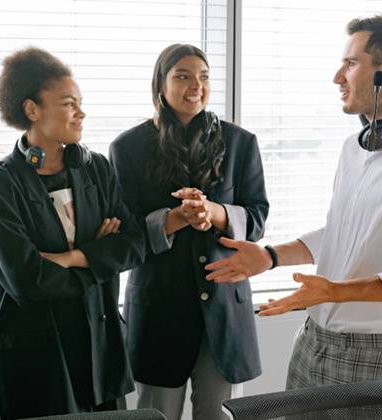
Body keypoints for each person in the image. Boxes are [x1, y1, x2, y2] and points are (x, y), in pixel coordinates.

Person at [206, 15, 382, 399]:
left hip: (374, 359)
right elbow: (340, 233)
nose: (338, 76)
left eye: (351, 63)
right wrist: (270, 256)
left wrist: (335, 291)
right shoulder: (356, 147)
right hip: (312, 343)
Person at [0, 47, 146, 420]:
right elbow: (27, 281)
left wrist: (73, 258)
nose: (81, 113)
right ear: (32, 110)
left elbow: (134, 243)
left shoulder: (96, 168)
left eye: (81, 103)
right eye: (69, 103)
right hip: (37, 356)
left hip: (98, 352)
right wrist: (100, 257)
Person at [108, 44, 268, 420]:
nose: (196, 85)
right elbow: (123, 233)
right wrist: (177, 217)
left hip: (226, 311)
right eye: (183, 75)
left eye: (204, 76)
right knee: (155, 416)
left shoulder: (241, 143)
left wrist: (215, 212)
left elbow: (257, 219)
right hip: (158, 311)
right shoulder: (127, 148)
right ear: (160, 85)